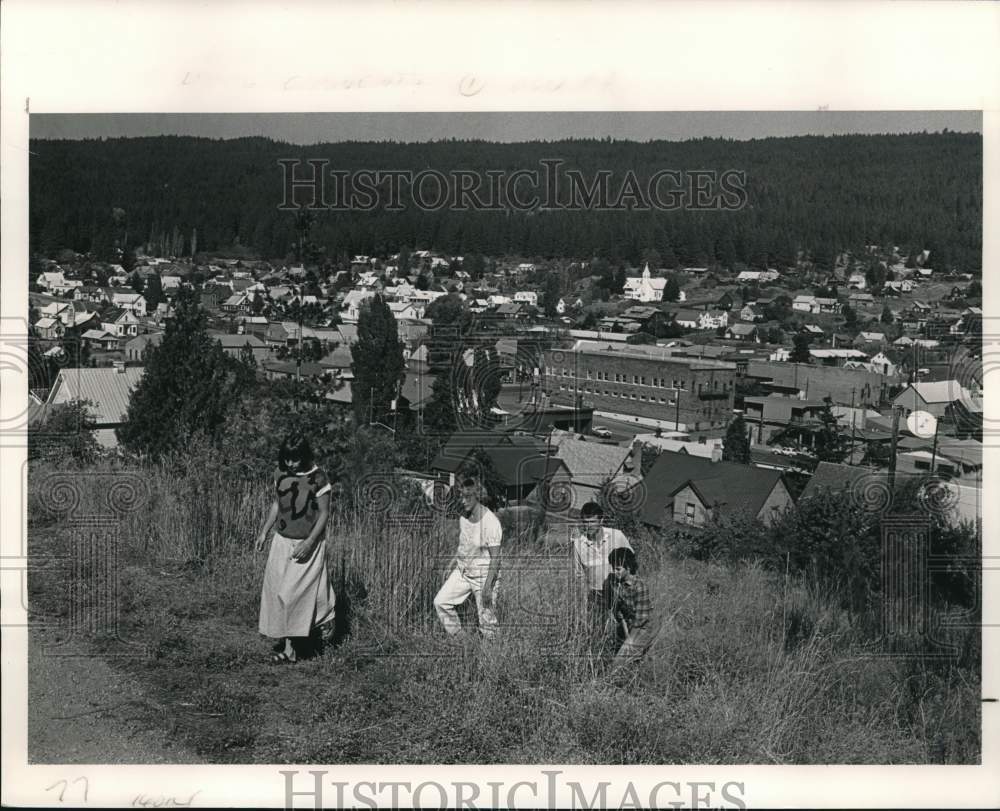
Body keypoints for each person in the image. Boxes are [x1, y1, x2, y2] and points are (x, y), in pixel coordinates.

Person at [256, 434, 336, 663]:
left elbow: (324, 514)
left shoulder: (318, 478)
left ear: (304, 455)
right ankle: (290, 651)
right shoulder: (280, 473)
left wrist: (309, 542)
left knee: (290, 594)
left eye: (295, 459)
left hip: (307, 544)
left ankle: (326, 615)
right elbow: (277, 504)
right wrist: (264, 532)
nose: (290, 464)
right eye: (287, 459)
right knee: (278, 595)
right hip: (281, 541)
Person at [433, 477, 502, 638]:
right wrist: (452, 565)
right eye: (461, 496)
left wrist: (487, 588)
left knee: (487, 621)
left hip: (483, 576)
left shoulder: (491, 522)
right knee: (441, 602)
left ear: (478, 496)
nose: (463, 501)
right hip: (463, 571)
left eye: (468, 497)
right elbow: (464, 545)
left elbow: (496, 559)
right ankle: (462, 640)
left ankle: (493, 655)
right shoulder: (464, 516)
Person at [571, 501, 633, 644]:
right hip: (597, 596)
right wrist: (582, 603)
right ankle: (602, 660)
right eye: (585, 522)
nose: (588, 526)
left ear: (601, 520)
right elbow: (578, 576)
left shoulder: (617, 536)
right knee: (597, 634)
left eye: (592, 521)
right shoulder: (578, 544)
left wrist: (628, 587)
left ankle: (627, 658)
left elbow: (632, 562)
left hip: (621, 592)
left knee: (626, 632)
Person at [605, 546, 659, 670]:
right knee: (612, 653)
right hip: (627, 623)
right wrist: (617, 612)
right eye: (613, 568)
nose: (614, 571)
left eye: (618, 568)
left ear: (628, 568)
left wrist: (629, 641)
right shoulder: (614, 581)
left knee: (617, 663)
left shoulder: (639, 586)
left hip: (643, 627)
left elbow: (641, 620)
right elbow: (613, 602)